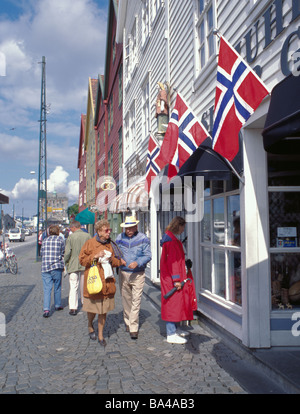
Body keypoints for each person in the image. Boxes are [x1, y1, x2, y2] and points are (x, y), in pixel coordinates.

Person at [79, 219, 125, 346]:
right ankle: (90, 325)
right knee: (92, 310)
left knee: (103, 311)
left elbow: (117, 262)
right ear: (99, 231)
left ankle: (100, 336)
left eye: (109, 230)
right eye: (106, 230)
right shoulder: (89, 243)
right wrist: (95, 256)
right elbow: (82, 261)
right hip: (94, 282)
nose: (109, 232)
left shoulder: (110, 244)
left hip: (107, 283)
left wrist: (113, 260)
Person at [115, 215, 152, 339]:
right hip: (124, 273)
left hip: (138, 274)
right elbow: (115, 253)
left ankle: (133, 327)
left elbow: (148, 255)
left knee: (136, 300)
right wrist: (119, 260)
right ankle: (128, 322)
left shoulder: (143, 238)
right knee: (126, 299)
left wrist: (138, 262)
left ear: (136, 226)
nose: (128, 230)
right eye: (126, 228)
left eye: (131, 228)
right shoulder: (119, 238)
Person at [160, 216, 193, 344]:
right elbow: (173, 263)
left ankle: (175, 328)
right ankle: (171, 333)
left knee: (175, 303)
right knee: (172, 304)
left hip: (169, 277)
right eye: (183, 226)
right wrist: (176, 280)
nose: (183, 229)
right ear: (178, 226)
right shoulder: (172, 242)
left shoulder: (170, 239)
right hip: (172, 279)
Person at [64, 220, 91, 315]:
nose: (70, 230)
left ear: (74, 227)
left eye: (70, 228)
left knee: (73, 285)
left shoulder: (71, 237)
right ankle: (85, 303)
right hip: (85, 263)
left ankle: (73, 307)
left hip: (73, 263)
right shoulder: (87, 236)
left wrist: (66, 261)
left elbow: (67, 252)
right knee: (84, 285)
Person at [41, 225, 65, 318]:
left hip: (45, 267)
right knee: (57, 286)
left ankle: (46, 309)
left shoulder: (45, 240)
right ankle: (57, 305)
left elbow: (42, 252)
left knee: (47, 289)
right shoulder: (60, 240)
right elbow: (63, 252)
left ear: (49, 232)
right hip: (56, 266)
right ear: (58, 231)